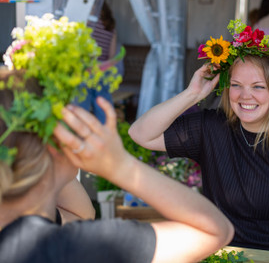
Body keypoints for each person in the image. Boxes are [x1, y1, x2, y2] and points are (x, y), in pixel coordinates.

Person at [129, 20, 269, 255]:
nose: (245, 96)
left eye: (258, 87)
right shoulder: (212, 127)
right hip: (225, 256)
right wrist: (192, 93)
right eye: (236, 84)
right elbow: (140, 134)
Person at [0, 69, 234, 263]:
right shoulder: (74, 247)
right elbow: (215, 230)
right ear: (56, 143)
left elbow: (81, 214)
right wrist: (119, 166)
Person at [75, 1, 118, 124]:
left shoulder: (87, 24)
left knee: (82, 107)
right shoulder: (111, 27)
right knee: (103, 107)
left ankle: (81, 137)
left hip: (86, 69)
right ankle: (106, 135)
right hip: (103, 70)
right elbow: (112, 56)